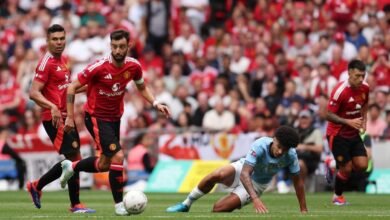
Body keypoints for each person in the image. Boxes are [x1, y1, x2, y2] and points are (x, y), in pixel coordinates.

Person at [60, 30, 171, 216]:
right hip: (95, 116)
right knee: (118, 156)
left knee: (104, 164)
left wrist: (155, 103)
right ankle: (119, 205)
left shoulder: (134, 66)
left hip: (115, 118)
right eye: (114, 46)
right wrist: (70, 117)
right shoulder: (99, 66)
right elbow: (72, 87)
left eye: (121, 46)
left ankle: (71, 166)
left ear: (129, 45)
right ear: (110, 46)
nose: (117, 50)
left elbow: (141, 87)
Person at [27, 24, 94, 213]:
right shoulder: (46, 62)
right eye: (54, 39)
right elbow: (33, 93)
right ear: (47, 41)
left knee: (74, 159)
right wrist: (52, 106)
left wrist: (90, 86)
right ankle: (74, 204)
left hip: (66, 116)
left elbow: (65, 89)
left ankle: (37, 185)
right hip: (53, 117)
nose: (58, 42)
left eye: (61, 39)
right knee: (74, 159)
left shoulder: (62, 60)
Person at [166, 126, 308, 214]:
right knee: (216, 175)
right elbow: (245, 173)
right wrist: (255, 199)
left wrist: (303, 209)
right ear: (274, 139)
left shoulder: (291, 155)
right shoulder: (260, 145)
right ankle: (186, 204)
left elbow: (298, 182)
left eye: (285, 150)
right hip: (243, 170)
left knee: (218, 209)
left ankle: (235, 198)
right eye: (279, 147)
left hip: (258, 184)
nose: (280, 152)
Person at [325, 59, 369, 205]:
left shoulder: (365, 88)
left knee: (362, 165)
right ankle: (337, 197)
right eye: (357, 76)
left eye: (363, 75)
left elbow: (365, 104)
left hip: (353, 134)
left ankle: (333, 164)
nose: (361, 79)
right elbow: (328, 115)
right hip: (337, 134)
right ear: (349, 73)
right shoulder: (340, 91)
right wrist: (348, 122)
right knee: (347, 168)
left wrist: (364, 120)